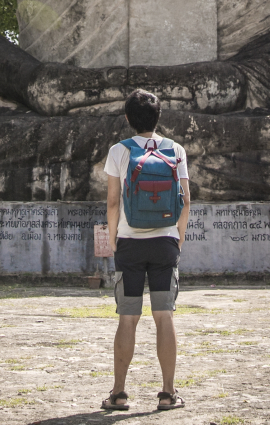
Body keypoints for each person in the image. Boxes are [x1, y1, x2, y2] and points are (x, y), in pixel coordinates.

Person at [102, 89, 189, 412]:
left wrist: (114, 238)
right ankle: (167, 393)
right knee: (164, 316)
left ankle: (119, 394)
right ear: (158, 117)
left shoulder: (119, 152)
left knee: (128, 318)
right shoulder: (175, 149)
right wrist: (177, 238)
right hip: (165, 241)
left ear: (127, 119)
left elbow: (113, 201)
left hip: (129, 242)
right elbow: (186, 200)